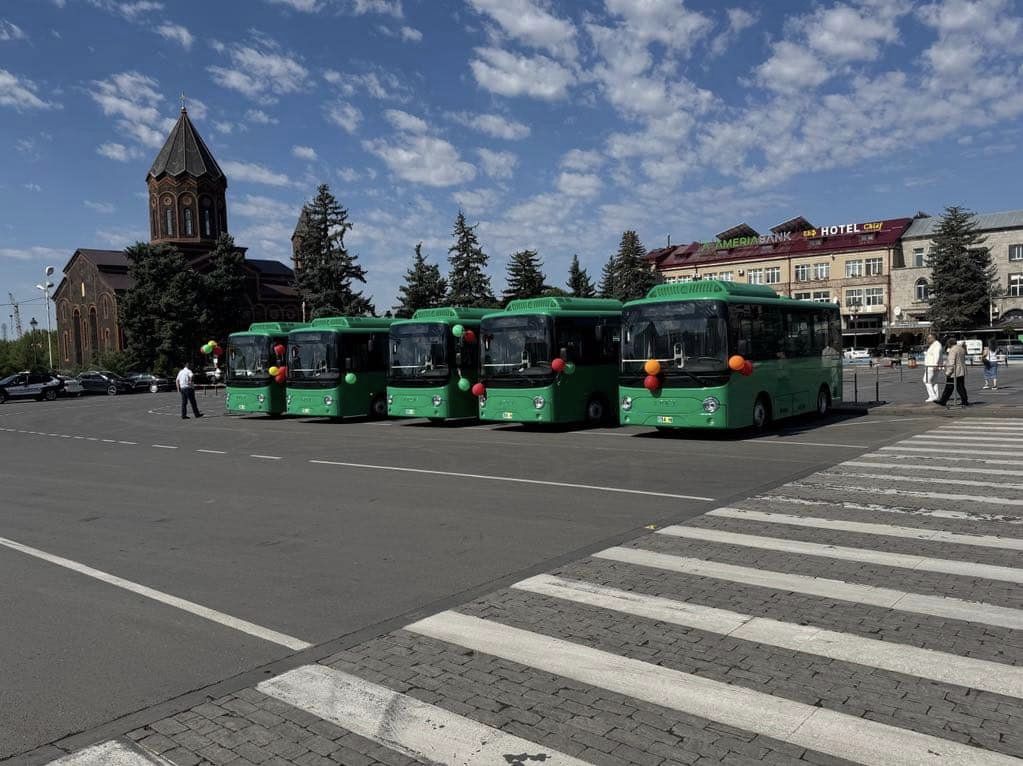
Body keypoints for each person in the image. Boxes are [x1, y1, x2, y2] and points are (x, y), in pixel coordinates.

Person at [934, 338, 968, 407]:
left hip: (954, 372)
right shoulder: (961, 348)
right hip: (961, 370)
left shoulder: (953, 350)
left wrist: (948, 372)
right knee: (960, 387)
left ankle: (943, 401)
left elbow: (951, 362)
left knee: (949, 387)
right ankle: (964, 401)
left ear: (949, 343)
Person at [922, 332, 943, 402]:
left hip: (932, 366)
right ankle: (936, 396)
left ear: (933, 338)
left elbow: (936, 355)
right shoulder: (934, 345)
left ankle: (932, 396)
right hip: (932, 366)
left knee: (926, 380)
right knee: (934, 381)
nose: (927, 339)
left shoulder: (936, 345)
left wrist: (935, 364)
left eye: (929, 338)